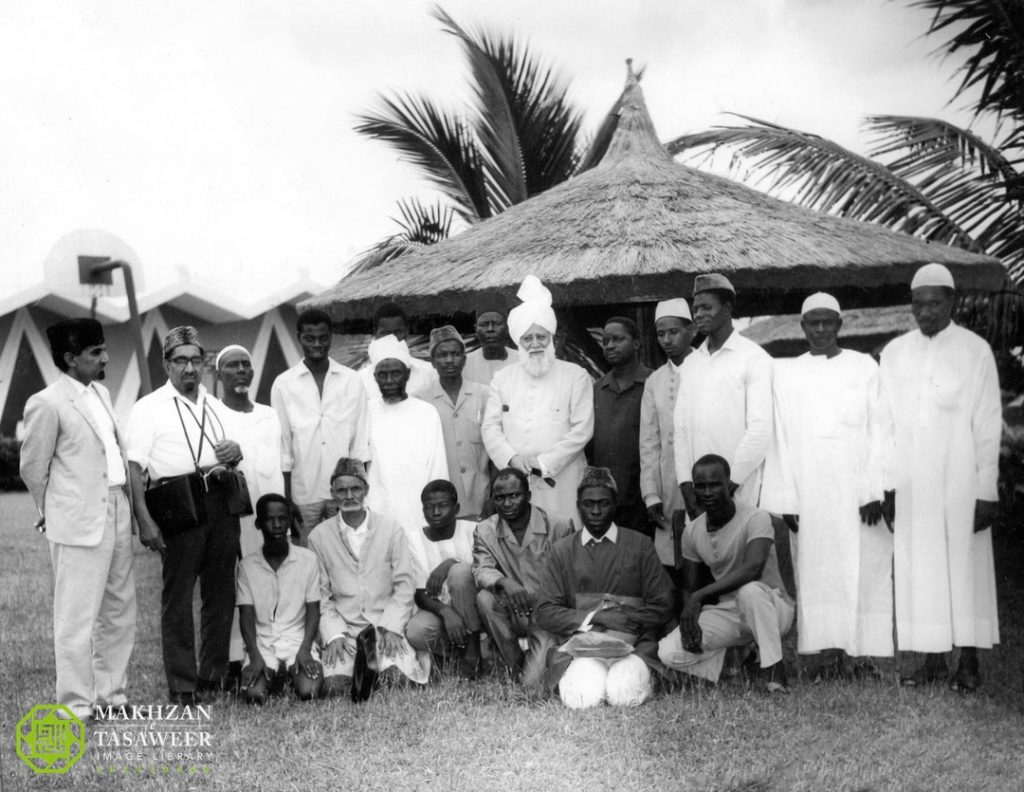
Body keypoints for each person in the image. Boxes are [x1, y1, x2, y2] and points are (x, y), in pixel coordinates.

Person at [879, 263, 1001, 691]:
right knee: (921, 567)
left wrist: (986, 490)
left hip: (960, 480)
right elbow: (886, 425)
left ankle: (967, 660)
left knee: (964, 567)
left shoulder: (974, 350)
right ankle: (931, 658)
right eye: (918, 304)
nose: (925, 312)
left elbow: (987, 425)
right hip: (912, 483)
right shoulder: (894, 353)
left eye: (934, 303)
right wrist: (888, 485)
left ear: (951, 302)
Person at [761, 293, 893, 671]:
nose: (820, 329)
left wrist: (873, 490)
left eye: (827, 322)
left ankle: (862, 656)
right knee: (816, 573)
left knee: (863, 569)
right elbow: (779, 439)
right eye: (812, 322)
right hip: (811, 495)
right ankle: (826, 657)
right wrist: (788, 500)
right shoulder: (787, 374)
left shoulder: (864, 367)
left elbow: (880, 430)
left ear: (840, 324)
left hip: (858, 495)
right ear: (802, 326)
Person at [20, 319, 137, 719]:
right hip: (78, 518)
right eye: (95, 353)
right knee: (76, 615)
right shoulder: (46, 402)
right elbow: (33, 468)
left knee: (120, 608)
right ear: (69, 358)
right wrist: (50, 512)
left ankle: (112, 694)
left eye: (104, 348)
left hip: (118, 507)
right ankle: (74, 705)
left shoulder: (100, 392)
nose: (105, 358)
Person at [127, 326, 245, 705]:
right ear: (166, 364)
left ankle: (214, 675)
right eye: (180, 361)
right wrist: (144, 521)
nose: (189, 368)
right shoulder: (148, 408)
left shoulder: (213, 403)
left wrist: (234, 449)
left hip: (220, 502)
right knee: (177, 598)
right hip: (178, 504)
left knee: (220, 591)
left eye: (196, 360)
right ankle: (182, 684)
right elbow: (134, 469)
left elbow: (231, 450)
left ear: (204, 363)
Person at [535, 467, 673, 709]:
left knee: (623, 696)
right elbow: (545, 611)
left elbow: (664, 604)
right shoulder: (562, 550)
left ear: (615, 504)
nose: (596, 511)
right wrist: (597, 617)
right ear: (578, 505)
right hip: (582, 648)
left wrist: (627, 619)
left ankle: (634, 677)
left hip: (633, 647)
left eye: (603, 503)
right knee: (582, 699)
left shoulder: (640, 545)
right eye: (589, 504)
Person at [658, 455, 795, 692]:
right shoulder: (692, 531)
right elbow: (689, 589)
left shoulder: (755, 517)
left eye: (715, 484)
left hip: (771, 607)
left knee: (750, 592)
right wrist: (689, 618)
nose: (708, 492)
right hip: (730, 612)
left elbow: (753, 569)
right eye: (700, 486)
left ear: (729, 483)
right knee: (668, 652)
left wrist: (698, 597)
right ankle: (730, 663)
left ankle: (775, 670)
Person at [309, 458, 430, 694]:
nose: (349, 496)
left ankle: (386, 665)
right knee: (335, 689)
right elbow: (320, 595)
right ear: (333, 493)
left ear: (366, 490)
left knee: (398, 684)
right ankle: (355, 667)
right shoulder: (319, 537)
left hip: (383, 627)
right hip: (346, 630)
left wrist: (392, 628)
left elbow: (405, 584)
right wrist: (333, 634)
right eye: (342, 490)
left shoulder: (391, 528)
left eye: (355, 488)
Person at [482, 275, 594, 519]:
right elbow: (490, 427)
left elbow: (582, 430)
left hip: (563, 482)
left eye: (541, 337)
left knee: (564, 546)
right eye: (527, 338)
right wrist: (511, 458)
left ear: (552, 338)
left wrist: (543, 463)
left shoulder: (576, 376)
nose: (535, 344)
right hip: (516, 484)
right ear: (518, 342)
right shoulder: (502, 378)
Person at [674, 273, 773, 515]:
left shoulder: (753, 358)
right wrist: (688, 487)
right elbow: (680, 431)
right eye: (695, 309)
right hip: (700, 496)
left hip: (739, 488)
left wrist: (729, 484)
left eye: (706, 308)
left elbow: (760, 429)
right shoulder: (692, 363)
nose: (698, 315)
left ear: (727, 309)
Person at [271, 308, 369, 544]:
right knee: (308, 559)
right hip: (304, 494)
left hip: (344, 493)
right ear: (299, 338)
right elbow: (282, 446)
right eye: (309, 338)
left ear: (331, 337)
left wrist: (360, 492)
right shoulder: (284, 384)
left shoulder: (351, 380)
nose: (317, 344)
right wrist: (287, 499)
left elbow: (360, 442)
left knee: (346, 556)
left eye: (323, 338)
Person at [472, 468, 576, 675]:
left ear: (528, 496)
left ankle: (537, 663)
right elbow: (481, 568)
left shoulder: (559, 525)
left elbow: (570, 578)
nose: (507, 504)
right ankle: (514, 664)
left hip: (546, 613)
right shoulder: (485, 529)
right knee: (485, 599)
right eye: (500, 498)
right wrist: (505, 582)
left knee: (534, 687)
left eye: (514, 496)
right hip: (512, 609)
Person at [237, 494, 322, 704]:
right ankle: (275, 673)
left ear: (289, 521)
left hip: (298, 641)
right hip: (263, 643)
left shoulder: (307, 560)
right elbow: (246, 616)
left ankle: (286, 673)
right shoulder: (247, 566)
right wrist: (255, 656)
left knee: (308, 691)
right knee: (253, 695)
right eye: (269, 519)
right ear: (258, 523)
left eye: (283, 519)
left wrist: (304, 650)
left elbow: (313, 610)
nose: (277, 525)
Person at [364, 335, 449, 541]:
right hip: (378, 505)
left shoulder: (426, 412)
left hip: (419, 506)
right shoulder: (366, 412)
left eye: (396, 373)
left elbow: (437, 465)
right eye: (383, 375)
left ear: (408, 374)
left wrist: (436, 506)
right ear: (375, 377)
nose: (390, 381)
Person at [640, 298, 696, 580]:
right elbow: (648, 443)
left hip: (705, 481)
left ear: (692, 330)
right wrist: (651, 494)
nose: (666, 340)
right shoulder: (655, 381)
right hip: (668, 483)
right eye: (661, 333)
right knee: (673, 565)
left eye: (673, 332)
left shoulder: (707, 369)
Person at [404, 480, 483, 677]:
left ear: (456, 508)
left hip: (475, 608)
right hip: (440, 612)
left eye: (443, 506)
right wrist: (447, 613)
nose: (436, 512)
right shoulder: (412, 540)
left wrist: (449, 563)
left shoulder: (475, 530)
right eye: (429, 507)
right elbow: (420, 593)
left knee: (459, 573)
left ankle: (473, 650)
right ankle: (453, 654)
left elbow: (483, 570)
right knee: (416, 631)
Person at [590, 316, 652, 535]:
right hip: (606, 501)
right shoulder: (597, 390)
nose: (609, 346)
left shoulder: (652, 384)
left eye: (617, 339)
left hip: (644, 500)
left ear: (636, 343)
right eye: (606, 341)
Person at [423, 325, 492, 518]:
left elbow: (494, 449)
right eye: (442, 355)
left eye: (455, 354)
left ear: (464, 358)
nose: (449, 360)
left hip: (479, 498)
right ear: (432, 361)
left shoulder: (484, 395)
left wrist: (492, 497)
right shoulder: (421, 401)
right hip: (441, 505)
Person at [359, 302, 438, 400]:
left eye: (397, 332)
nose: (392, 338)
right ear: (375, 333)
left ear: (407, 331)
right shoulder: (360, 378)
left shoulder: (429, 372)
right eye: (385, 333)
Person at [463, 295, 516, 385]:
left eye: (496, 323)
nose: (490, 329)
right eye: (484, 324)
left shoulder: (521, 361)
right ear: (476, 329)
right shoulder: (464, 365)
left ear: (507, 327)